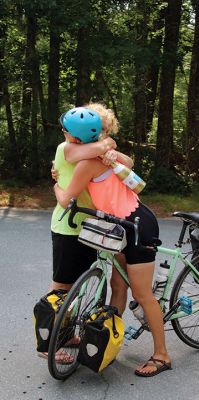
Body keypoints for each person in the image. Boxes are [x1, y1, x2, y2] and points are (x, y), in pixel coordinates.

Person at [54, 103, 172, 377]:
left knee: (143, 295)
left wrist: (56, 183)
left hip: (137, 226)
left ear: (73, 136)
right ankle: (109, 339)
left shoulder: (87, 162)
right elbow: (123, 161)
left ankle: (162, 355)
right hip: (120, 225)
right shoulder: (104, 152)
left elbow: (64, 199)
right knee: (118, 287)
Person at [37, 107, 118, 363]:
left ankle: (67, 332)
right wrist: (106, 143)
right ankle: (45, 344)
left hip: (89, 227)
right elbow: (94, 149)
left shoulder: (88, 148)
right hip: (67, 227)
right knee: (60, 287)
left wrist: (107, 145)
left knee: (76, 287)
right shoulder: (66, 149)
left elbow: (112, 156)